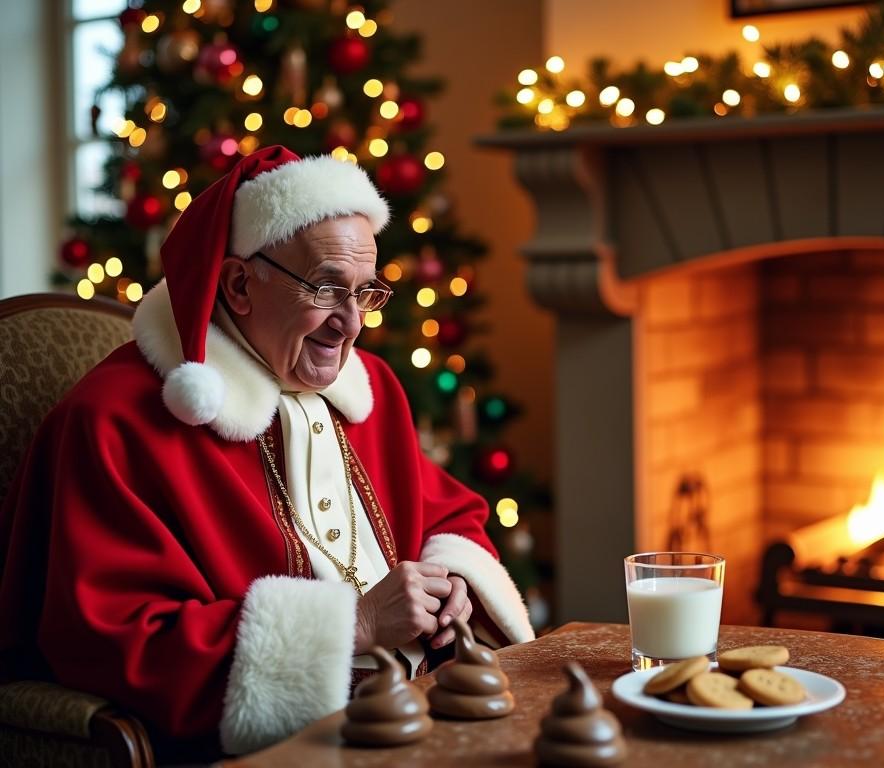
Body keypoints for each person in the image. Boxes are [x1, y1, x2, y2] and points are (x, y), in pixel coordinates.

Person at [0, 145, 533, 758]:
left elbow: (449, 515)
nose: (351, 325)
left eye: (366, 293)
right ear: (238, 284)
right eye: (328, 288)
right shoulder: (115, 421)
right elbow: (118, 644)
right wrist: (355, 624)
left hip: (422, 712)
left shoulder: (371, 389)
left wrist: (453, 582)